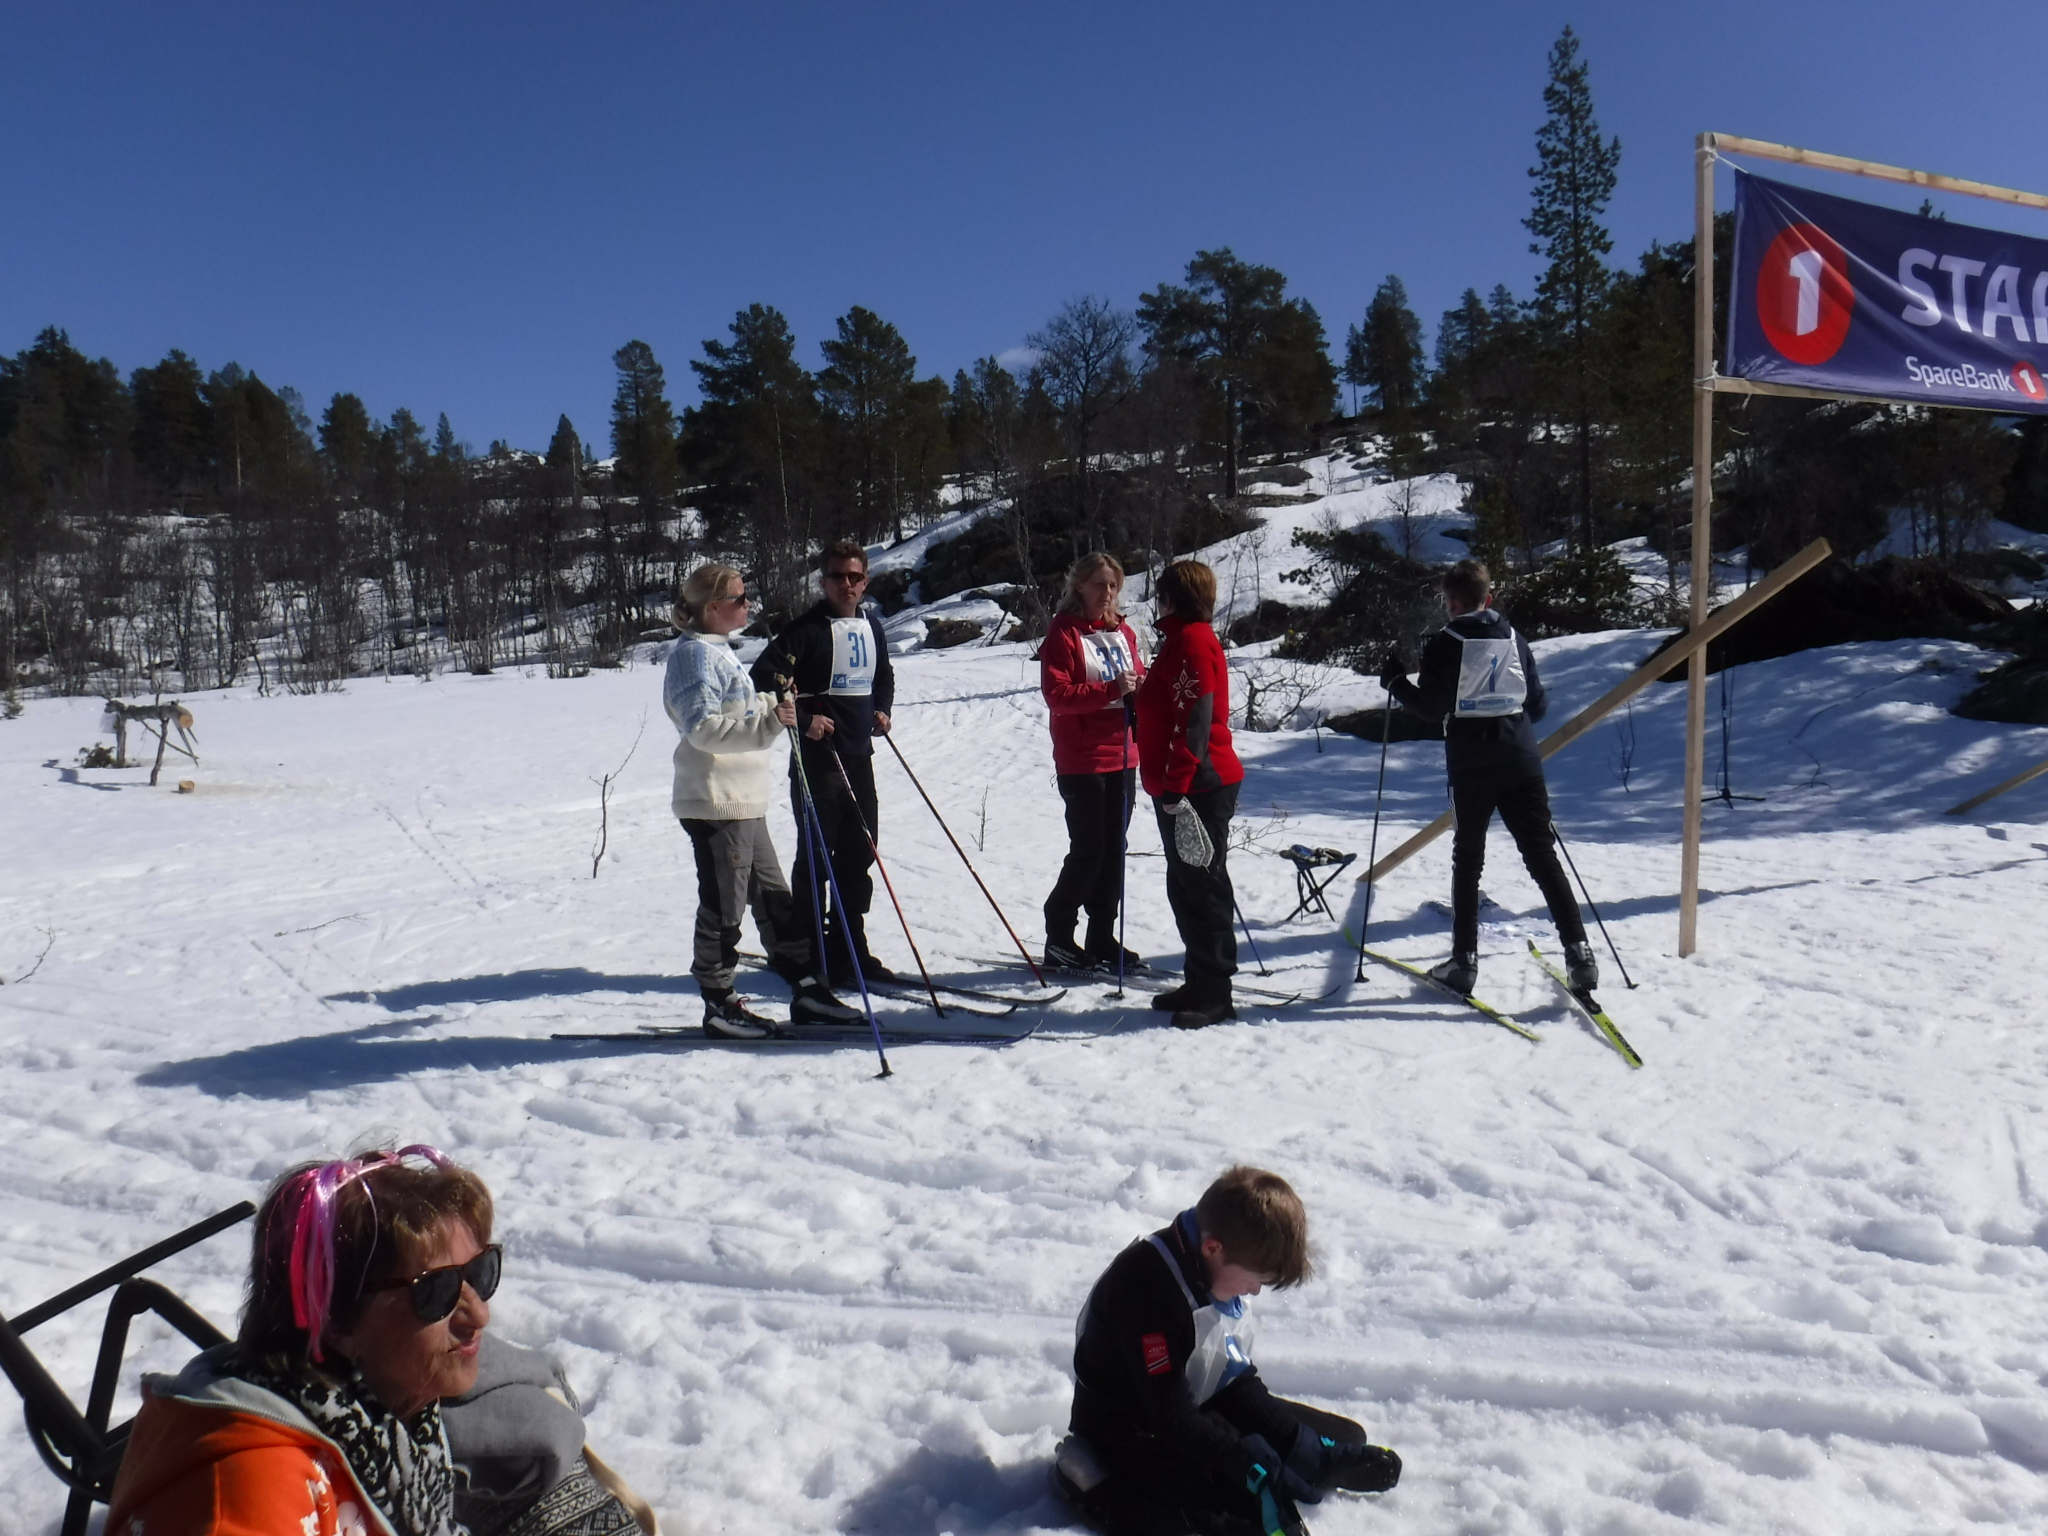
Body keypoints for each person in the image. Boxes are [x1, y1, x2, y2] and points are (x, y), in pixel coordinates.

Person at [105, 1146, 649, 1536]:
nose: (479, 1314)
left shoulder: (386, 1418)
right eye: (436, 1292)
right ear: (336, 1321)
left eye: (480, 1274)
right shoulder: (250, 1496)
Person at [1054, 1167, 1401, 1536]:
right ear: (1213, 1248)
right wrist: (1241, 1461)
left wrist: (1296, 1443)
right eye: (1255, 1278)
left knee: (1342, 1438)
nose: (1254, 1291)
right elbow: (1170, 1416)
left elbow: (1230, 1376)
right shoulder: (1146, 1294)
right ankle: (1088, 1478)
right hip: (1133, 1425)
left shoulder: (1213, 1267)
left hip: (1193, 1401)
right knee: (1237, 1515)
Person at [1381, 557, 1596, 996]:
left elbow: (1431, 709)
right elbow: (1537, 706)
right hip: (1521, 758)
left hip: (1472, 764)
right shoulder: (1514, 637)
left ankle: (1464, 961)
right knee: (1542, 856)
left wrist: (1396, 682)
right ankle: (1579, 953)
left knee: (1468, 862)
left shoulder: (1445, 643)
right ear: (1489, 598)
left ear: (1451, 602)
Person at [663, 562, 861, 1038]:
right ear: (713, 606)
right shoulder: (693, 656)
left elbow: (743, 709)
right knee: (724, 906)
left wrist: (782, 707)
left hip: (745, 801)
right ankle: (718, 1003)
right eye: (739, 598)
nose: (748, 604)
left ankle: (807, 989)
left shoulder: (720, 650)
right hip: (715, 802)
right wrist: (772, 723)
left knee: (775, 901)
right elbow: (703, 728)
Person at [751, 541, 898, 990]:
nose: (846, 584)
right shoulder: (807, 629)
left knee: (859, 855)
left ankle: (849, 947)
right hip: (818, 761)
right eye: (837, 576)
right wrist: (804, 718)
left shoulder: (871, 625)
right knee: (817, 859)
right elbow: (763, 678)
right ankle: (813, 952)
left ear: (865, 581)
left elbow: (883, 675)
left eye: (854, 577)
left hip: (858, 756)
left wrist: (882, 709)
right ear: (823, 581)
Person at [1133, 560, 1243, 1029]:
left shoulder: (1193, 640)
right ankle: (1199, 979)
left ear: (1172, 598)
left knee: (1203, 889)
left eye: (1162, 595)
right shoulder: (1181, 639)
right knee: (1185, 886)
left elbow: (1195, 719)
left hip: (1197, 784)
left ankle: (1215, 992)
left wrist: (1176, 786)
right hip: (1183, 784)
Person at [1039, 552, 1147, 973]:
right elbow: (1057, 696)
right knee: (1089, 850)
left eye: (1114, 585)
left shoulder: (1123, 632)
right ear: (1079, 586)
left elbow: (1136, 680)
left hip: (1123, 753)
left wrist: (1144, 686)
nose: (1108, 593)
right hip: (1082, 757)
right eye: (1100, 584)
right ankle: (1059, 935)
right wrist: (1110, 690)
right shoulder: (1064, 632)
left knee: (1115, 850)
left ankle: (1101, 934)